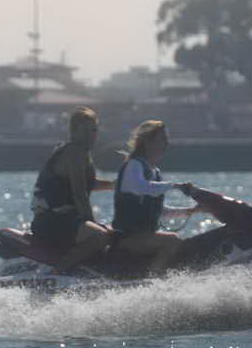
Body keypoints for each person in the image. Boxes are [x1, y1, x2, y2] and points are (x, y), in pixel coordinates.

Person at [29, 106, 115, 272]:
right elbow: (79, 192)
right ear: (74, 131)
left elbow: (88, 184)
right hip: (51, 220)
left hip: (63, 219)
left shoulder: (81, 153)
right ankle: (59, 271)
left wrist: (114, 185)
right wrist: (91, 222)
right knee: (100, 236)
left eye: (94, 130)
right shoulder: (74, 152)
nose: (91, 135)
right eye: (85, 131)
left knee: (110, 233)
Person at [112, 119, 199, 274]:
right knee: (172, 241)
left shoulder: (155, 172)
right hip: (126, 238)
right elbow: (142, 187)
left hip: (146, 237)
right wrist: (175, 185)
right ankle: (153, 280)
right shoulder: (134, 165)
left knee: (179, 243)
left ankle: (156, 274)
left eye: (166, 140)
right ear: (147, 143)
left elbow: (159, 210)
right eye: (162, 140)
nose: (166, 144)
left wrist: (192, 211)